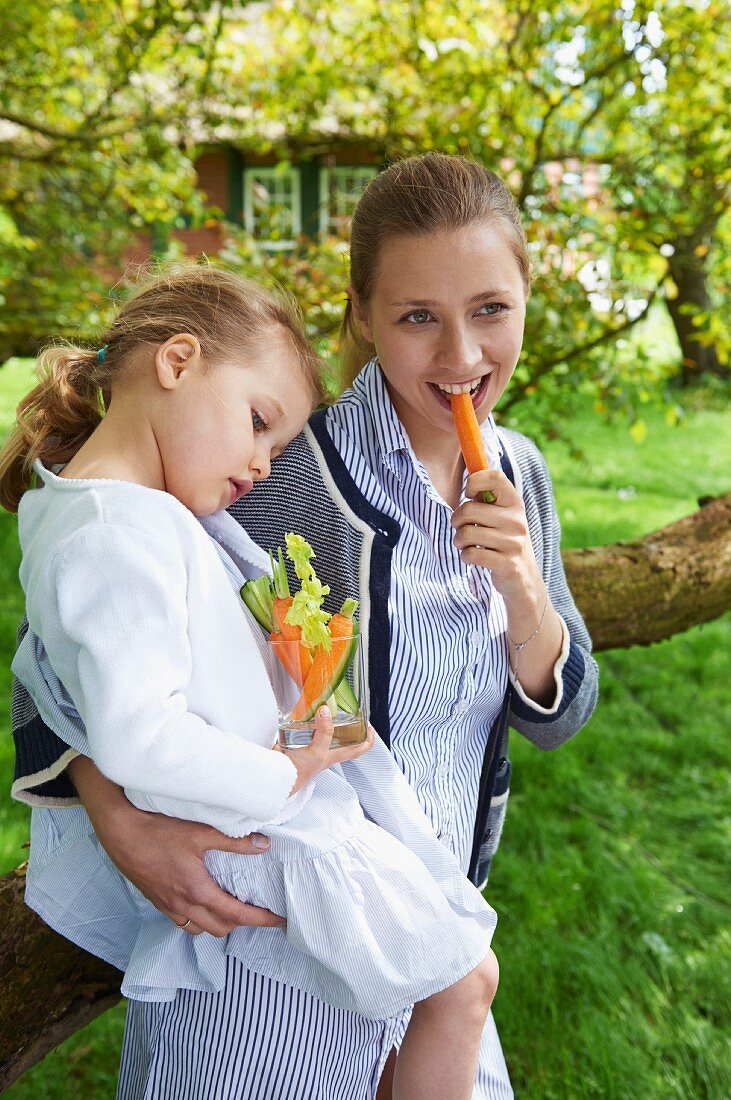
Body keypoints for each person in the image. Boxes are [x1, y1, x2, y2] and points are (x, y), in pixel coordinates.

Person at [9, 154, 598, 1100]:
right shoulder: (269, 463)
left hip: (430, 924)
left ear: (525, 300)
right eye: (417, 317)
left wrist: (525, 593)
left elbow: (558, 716)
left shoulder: (519, 473)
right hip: (269, 955)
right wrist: (117, 814)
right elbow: (64, 642)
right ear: (361, 315)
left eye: (490, 309)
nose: (459, 357)